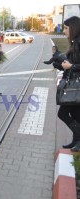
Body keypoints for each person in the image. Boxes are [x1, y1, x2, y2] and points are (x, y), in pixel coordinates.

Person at [57, 16, 80, 151]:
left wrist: (70, 66)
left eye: (66, 28)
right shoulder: (75, 42)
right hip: (73, 86)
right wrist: (61, 65)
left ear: (73, 27)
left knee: (63, 114)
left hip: (75, 86)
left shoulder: (78, 43)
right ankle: (76, 141)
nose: (64, 30)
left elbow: (75, 65)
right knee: (76, 115)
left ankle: (78, 137)